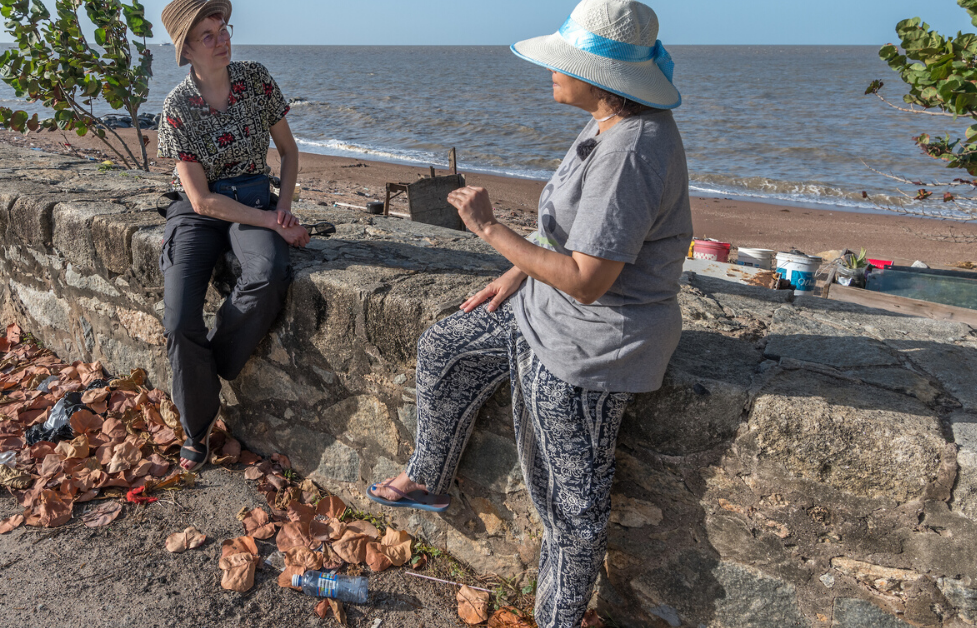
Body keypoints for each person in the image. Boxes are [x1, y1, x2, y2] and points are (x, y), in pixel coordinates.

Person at [366, 1, 692, 626]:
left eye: (562, 63)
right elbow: (573, 239)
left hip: (593, 339)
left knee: (568, 504)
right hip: (548, 309)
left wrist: (489, 229)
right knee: (447, 343)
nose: (550, 72)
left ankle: (556, 619)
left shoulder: (632, 148)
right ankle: (429, 478)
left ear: (601, 75)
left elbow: (589, 280)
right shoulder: (606, 123)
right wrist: (517, 271)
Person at [157, 0, 310, 472]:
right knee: (180, 318)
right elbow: (202, 202)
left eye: (222, 28)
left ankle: (206, 370)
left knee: (267, 276)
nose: (222, 39)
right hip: (200, 211)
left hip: (255, 197)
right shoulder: (177, 107)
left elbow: (288, 152)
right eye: (208, 35)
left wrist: (281, 211)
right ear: (187, 48)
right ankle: (197, 428)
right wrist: (272, 223)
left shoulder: (256, 80)